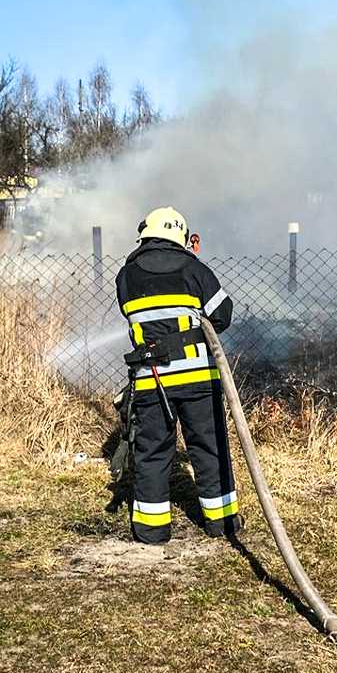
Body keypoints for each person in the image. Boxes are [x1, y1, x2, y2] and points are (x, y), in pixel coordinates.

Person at [115, 207, 240, 544]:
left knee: (152, 451)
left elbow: (131, 313)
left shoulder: (126, 276)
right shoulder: (194, 269)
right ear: (181, 237)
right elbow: (223, 315)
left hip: (151, 380)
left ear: (146, 234)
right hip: (198, 379)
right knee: (209, 447)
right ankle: (222, 522)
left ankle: (152, 529)